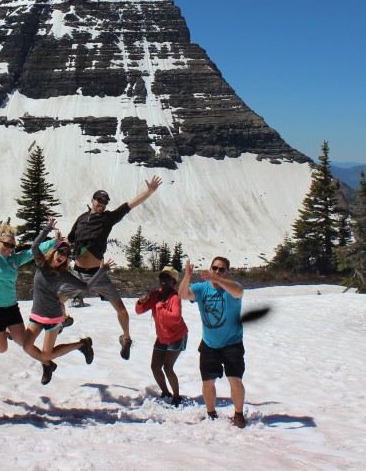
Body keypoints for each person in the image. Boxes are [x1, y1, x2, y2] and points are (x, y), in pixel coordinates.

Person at [65, 176, 163, 359]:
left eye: (105, 201)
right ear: (92, 201)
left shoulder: (108, 218)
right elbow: (69, 240)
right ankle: (63, 320)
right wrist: (55, 246)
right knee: (56, 300)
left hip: (98, 274)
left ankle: (126, 339)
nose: (102, 204)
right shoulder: (81, 218)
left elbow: (129, 206)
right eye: (99, 200)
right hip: (77, 273)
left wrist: (149, 192)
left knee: (121, 309)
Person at [24, 218, 111, 385]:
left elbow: (85, 287)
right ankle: (48, 365)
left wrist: (101, 271)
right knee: (27, 346)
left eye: (65, 255)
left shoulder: (63, 274)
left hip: (53, 317)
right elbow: (34, 246)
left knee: (46, 353)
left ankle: (81, 345)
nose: (62, 257)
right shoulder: (41, 263)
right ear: (54, 251)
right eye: (60, 252)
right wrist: (47, 229)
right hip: (36, 314)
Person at [0, 196, 56, 353]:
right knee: (1, 348)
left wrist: (54, 242)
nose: (8, 248)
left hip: (11, 307)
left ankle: (6, 331)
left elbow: (33, 251)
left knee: (23, 342)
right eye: (6, 244)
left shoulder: (15, 259)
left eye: (12, 246)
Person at [177, 257, 248, 428]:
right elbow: (183, 295)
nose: (217, 271)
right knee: (208, 382)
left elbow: (239, 291)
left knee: (235, 380)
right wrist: (187, 276)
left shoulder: (231, 288)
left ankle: (238, 414)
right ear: (210, 269)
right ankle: (211, 413)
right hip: (210, 343)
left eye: (221, 269)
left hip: (232, 343)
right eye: (214, 268)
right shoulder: (202, 288)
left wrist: (219, 280)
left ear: (226, 272)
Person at [135, 266, 188, 406]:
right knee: (155, 366)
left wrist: (160, 308)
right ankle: (165, 392)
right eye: (162, 277)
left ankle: (176, 396)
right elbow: (140, 311)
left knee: (168, 367)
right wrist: (141, 302)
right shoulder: (156, 294)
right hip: (162, 337)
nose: (163, 280)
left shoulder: (175, 297)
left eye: (167, 278)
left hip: (177, 336)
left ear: (173, 282)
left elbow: (176, 317)